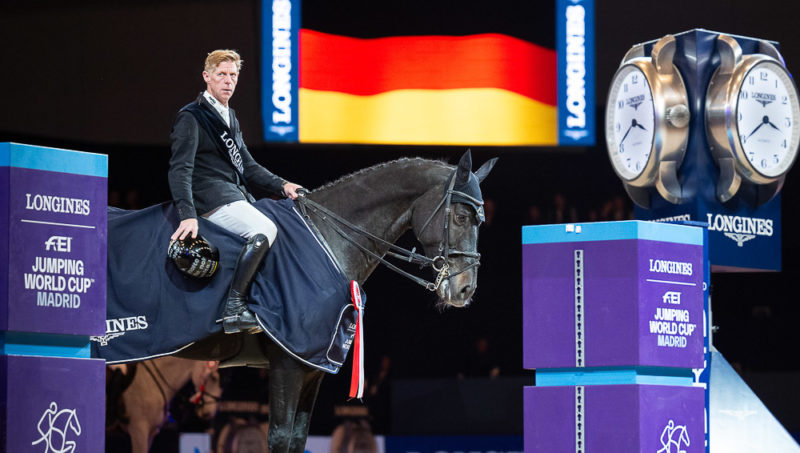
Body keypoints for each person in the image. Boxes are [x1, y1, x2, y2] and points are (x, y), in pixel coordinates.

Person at [168, 49, 302, 334]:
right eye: (221, 75)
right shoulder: (191, 117)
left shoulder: (231, 117)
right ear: (207, 77)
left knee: (283, 226)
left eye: (233, 76)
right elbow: (180, 169)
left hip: (235, 195)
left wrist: (283, 185)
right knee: (264, 229)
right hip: (212, 200)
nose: (228, 81)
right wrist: (187, 214)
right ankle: (233, 308)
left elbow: (249, 168)